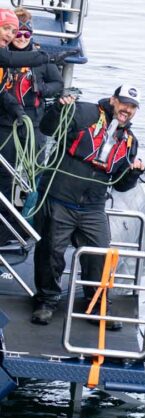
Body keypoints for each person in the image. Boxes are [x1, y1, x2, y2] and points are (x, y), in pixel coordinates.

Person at [30, 84, 145, 327]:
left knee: (100, 254)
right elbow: (48, 128)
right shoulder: (83, 113)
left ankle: (96, 303)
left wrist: (134, 173)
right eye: (124, 103)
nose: (127, 109)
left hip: (93, 207)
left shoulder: (130, 141)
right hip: (60, 198)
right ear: (113, 100)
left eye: (133, 107)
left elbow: (121, 185)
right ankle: (46, 301)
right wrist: (58, 108)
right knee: (51, 251)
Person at [0, 7, 64, 244]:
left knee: (31, 175)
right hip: (5, 126)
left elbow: (56, 82)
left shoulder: (36, 60)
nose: (18, 37)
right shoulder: (7, 57)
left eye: (23, 34)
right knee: (5, 177)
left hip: (30, 122)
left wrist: (41, 91)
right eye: (12, 31)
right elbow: (8, 62)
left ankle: (21, 222)